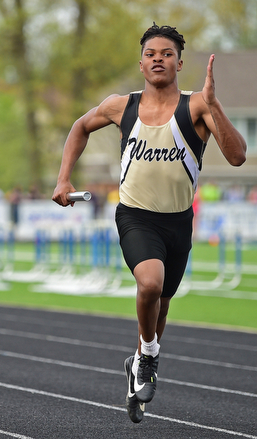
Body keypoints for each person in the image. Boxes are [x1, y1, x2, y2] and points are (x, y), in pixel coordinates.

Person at [51, 23, 246, 424]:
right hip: (135, 215)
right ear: (141, 64)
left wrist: (215, 103)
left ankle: (139, 361)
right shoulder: (120, 105)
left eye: (167, 53)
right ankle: (150, 356)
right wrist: (63, 178)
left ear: (178, 63)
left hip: (178, 223)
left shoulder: (196, 107)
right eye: (151, 53)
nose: (159, 57)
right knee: (150, 284)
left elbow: (238, 157)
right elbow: (79, 128)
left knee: (162, 304)